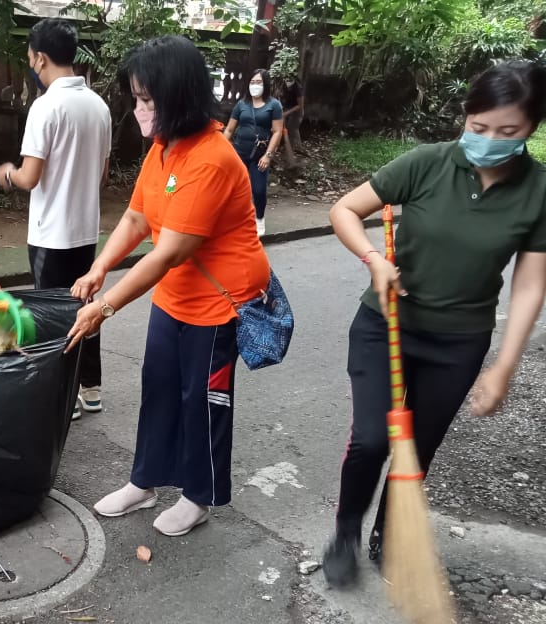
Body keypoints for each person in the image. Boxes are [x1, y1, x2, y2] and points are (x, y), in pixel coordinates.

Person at [321, 59, 546, 587]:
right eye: (477, 126)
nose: (488, 139)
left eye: (507, 131)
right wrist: (374, 259)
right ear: (465, 118)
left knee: (417, 449)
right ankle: (346, 533)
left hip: (459, 342)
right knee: (373, 439)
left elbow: (531, 284)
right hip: (386, 326)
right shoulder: (427, 163)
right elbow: (345, 210)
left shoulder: (538, 192)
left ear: (532, 128)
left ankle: (388, 534)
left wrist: (503, 367)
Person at [66, 36, 272, 538]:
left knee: (201, 400)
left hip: (219, 304)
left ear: (177, 96)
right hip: (175, 297)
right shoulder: (164, 149)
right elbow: (137, 218)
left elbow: (170, 250)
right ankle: (146, 481)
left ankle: (199, 496)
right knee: (157, 388)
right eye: (136, 99)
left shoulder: (212, 158)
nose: (138, 111)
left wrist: (107, 304)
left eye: (146, 101)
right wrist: (99, 268)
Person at [0, 19, 111, 419]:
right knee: (85, 306)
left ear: (40, 58)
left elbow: (30, 176)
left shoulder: (45, 107)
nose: (31, 64)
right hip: (85, 232)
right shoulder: (99, 106)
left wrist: (7, 173)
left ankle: (63, 396)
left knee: (52, 314)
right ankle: (90, 389)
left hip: (50, 234)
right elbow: (103, 174)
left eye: (30, 58)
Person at [223, 68, 283, 238]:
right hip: (238, 153)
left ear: (266, 85)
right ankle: (233, 220)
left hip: (260, 155)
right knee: (232, 189)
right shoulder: (242, 104)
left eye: (259, 83)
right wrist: (221, 147)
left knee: (258, 190)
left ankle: (259, 219)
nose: (255, 86)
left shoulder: (274, 105)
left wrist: (268, 155)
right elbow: (229, 129)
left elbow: (277, 132)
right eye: (252, 82)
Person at [280, 73, 305, 166]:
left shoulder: (298, 88)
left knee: (291, 132)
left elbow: (300, 106)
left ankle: (290, 158)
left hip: (297, 112)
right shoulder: (284, 84)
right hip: (287, 110)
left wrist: (286, 113)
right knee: (290, 130)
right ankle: (298, 148)